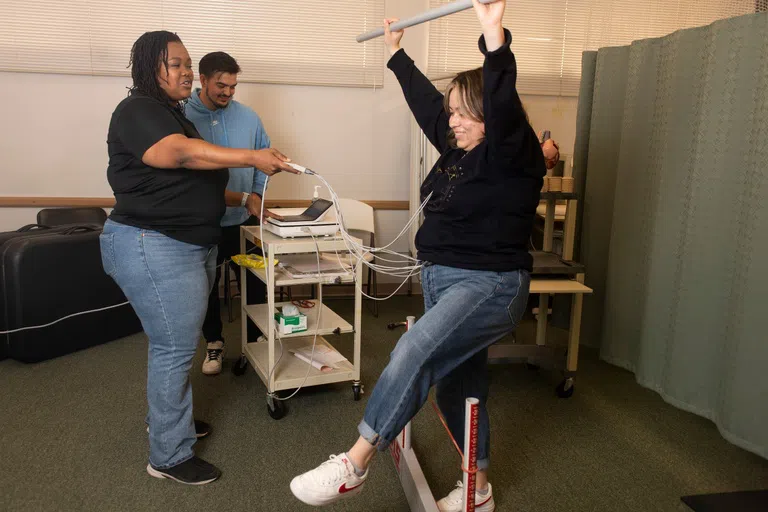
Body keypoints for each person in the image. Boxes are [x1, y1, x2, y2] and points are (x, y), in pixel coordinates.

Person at [289, 1, 544, 510]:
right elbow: (428, 105)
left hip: (490, 284)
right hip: (444, 280)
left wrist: (493, 35)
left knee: (416, 350)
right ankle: (480, 490)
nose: (450, 120)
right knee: (458, 388)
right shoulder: (457, 150)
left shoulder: (512, 152)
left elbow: (502, 99)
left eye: (461, 111)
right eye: (451, 112)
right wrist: (397, 55)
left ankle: (355, 461)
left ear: (487, 114)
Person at [100, 30, 298, 486]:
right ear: (152, 67)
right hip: (153, 245)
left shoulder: (171, 114)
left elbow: (195, 182)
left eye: (189, 63)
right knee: (174, 349)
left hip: (179, 244)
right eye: (177, 64)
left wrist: (242, 198)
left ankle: (171, 424)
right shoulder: (138, 111)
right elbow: (178, 156)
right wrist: (251, 155)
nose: (187, 71)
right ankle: (168, 455)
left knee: (171, 344)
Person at [185, 51, 273, 376]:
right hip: (203, 224)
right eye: (221, 85)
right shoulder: (180, 117)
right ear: (202, 79)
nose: (228, 92)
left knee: (256, 282)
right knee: (204, 289)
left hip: (244, 224)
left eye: (233, 86)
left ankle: (256, 343)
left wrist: (258, 195)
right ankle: (214, 345)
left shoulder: (249, 118)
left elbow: (263, 158)